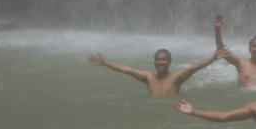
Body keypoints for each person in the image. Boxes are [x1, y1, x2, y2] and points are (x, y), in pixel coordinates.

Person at [88, 44, 226, 97]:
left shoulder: (177, 77)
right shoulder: (148, 77)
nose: (160, 62)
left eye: (163, 59)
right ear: (154, 62)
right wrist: (105, 62)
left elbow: (195, 67)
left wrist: (213, 58)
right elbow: (126, 70)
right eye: (158, 59)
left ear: (169, 62)